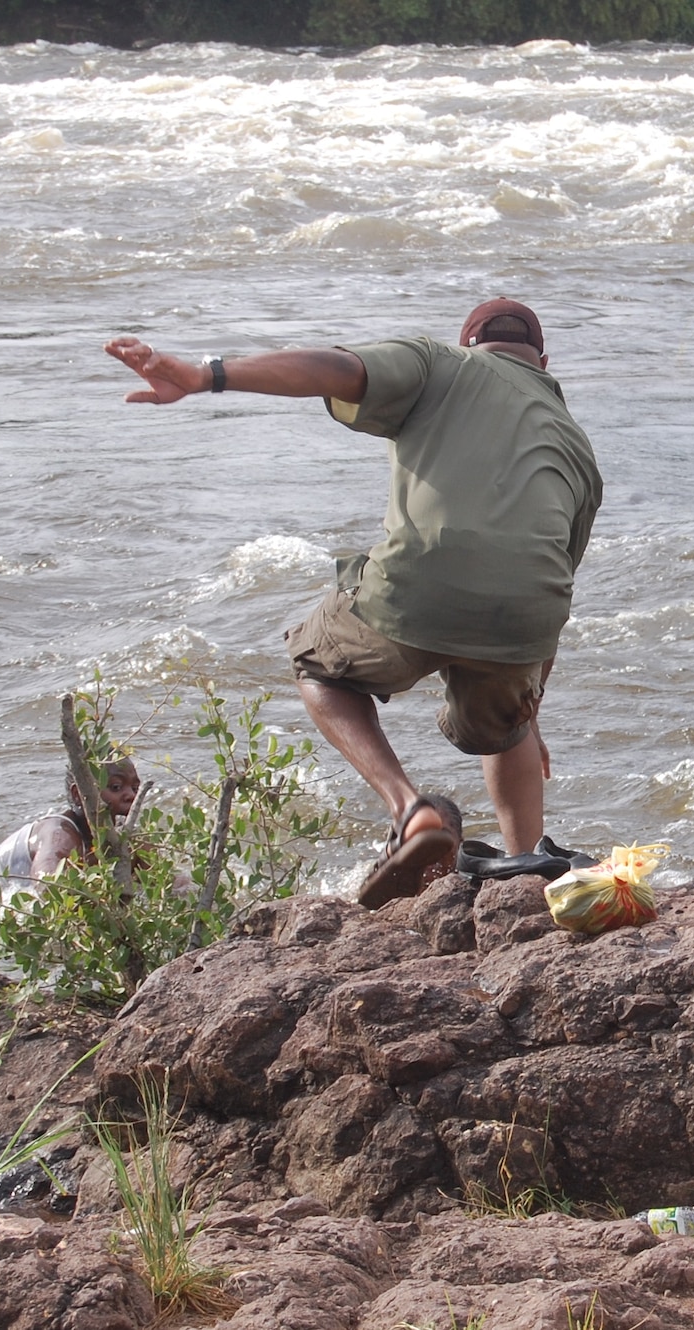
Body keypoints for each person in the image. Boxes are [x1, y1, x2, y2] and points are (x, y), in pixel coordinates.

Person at [104, 299, 602, 908]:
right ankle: (525, 876)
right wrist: (530, 707)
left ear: (469, 345)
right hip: (528, 616)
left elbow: (334, 368)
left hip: (422, 579)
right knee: (507, 729)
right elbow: (556, 583)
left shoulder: (439, 364)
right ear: (544, 363)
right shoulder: (577, 445)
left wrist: (207, 374)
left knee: (316, 661)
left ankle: (410, 810)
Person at [0, 757, 141, 900]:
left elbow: (157, 880)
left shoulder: (123, 836)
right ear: (79, 795)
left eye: (135, 787)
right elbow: (49, 885)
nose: (131, 795)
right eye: (116, 787)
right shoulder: (60, 834)